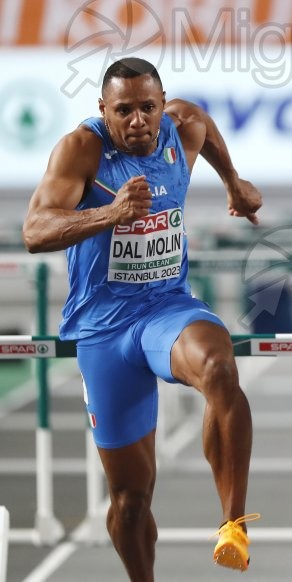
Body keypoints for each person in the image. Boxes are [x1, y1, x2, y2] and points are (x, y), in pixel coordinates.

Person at [22, 58, 261, 579]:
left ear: (161, 105)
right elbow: (35, 231)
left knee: (220, 369)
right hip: (104, 328)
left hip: (165, 309)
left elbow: (205, 127)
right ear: (102, 110)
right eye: (123, 111)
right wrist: (109, 213)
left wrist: (233, 183)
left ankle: (233, 525)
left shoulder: (183, 128)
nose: (137, 121)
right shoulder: (80, 149)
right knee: (131, 502)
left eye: (147, 108)